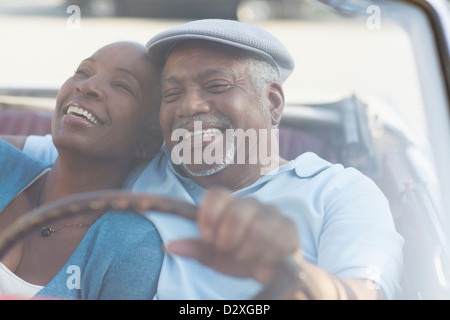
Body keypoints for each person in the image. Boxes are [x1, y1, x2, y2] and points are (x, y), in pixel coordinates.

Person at [11, 19, 404, 300]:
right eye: (171, 93)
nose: (190, 106)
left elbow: (362, 292)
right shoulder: (140, 159)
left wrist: (292, 273)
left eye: (216, 86)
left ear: (272, 102)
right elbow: (52, 146)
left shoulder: (338, 192)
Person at [0, 41, 164, 299]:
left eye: (122, 86)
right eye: (83, 72)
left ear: (148, 142)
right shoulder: (4, 163)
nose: (87, 86)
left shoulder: (132, 245)